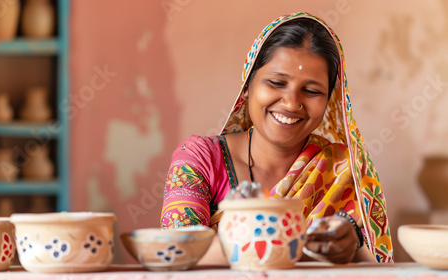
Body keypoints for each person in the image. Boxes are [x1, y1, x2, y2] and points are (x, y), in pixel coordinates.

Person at [160, 12, 393, 264]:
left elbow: (378, 267)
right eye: (276, 82)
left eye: (311, 91)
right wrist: (302, 245)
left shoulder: (343, 169)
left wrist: (353, 243)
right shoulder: (199, 159)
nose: (292, 103)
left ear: (329, 101)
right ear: (247, 85)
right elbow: (177, 249)